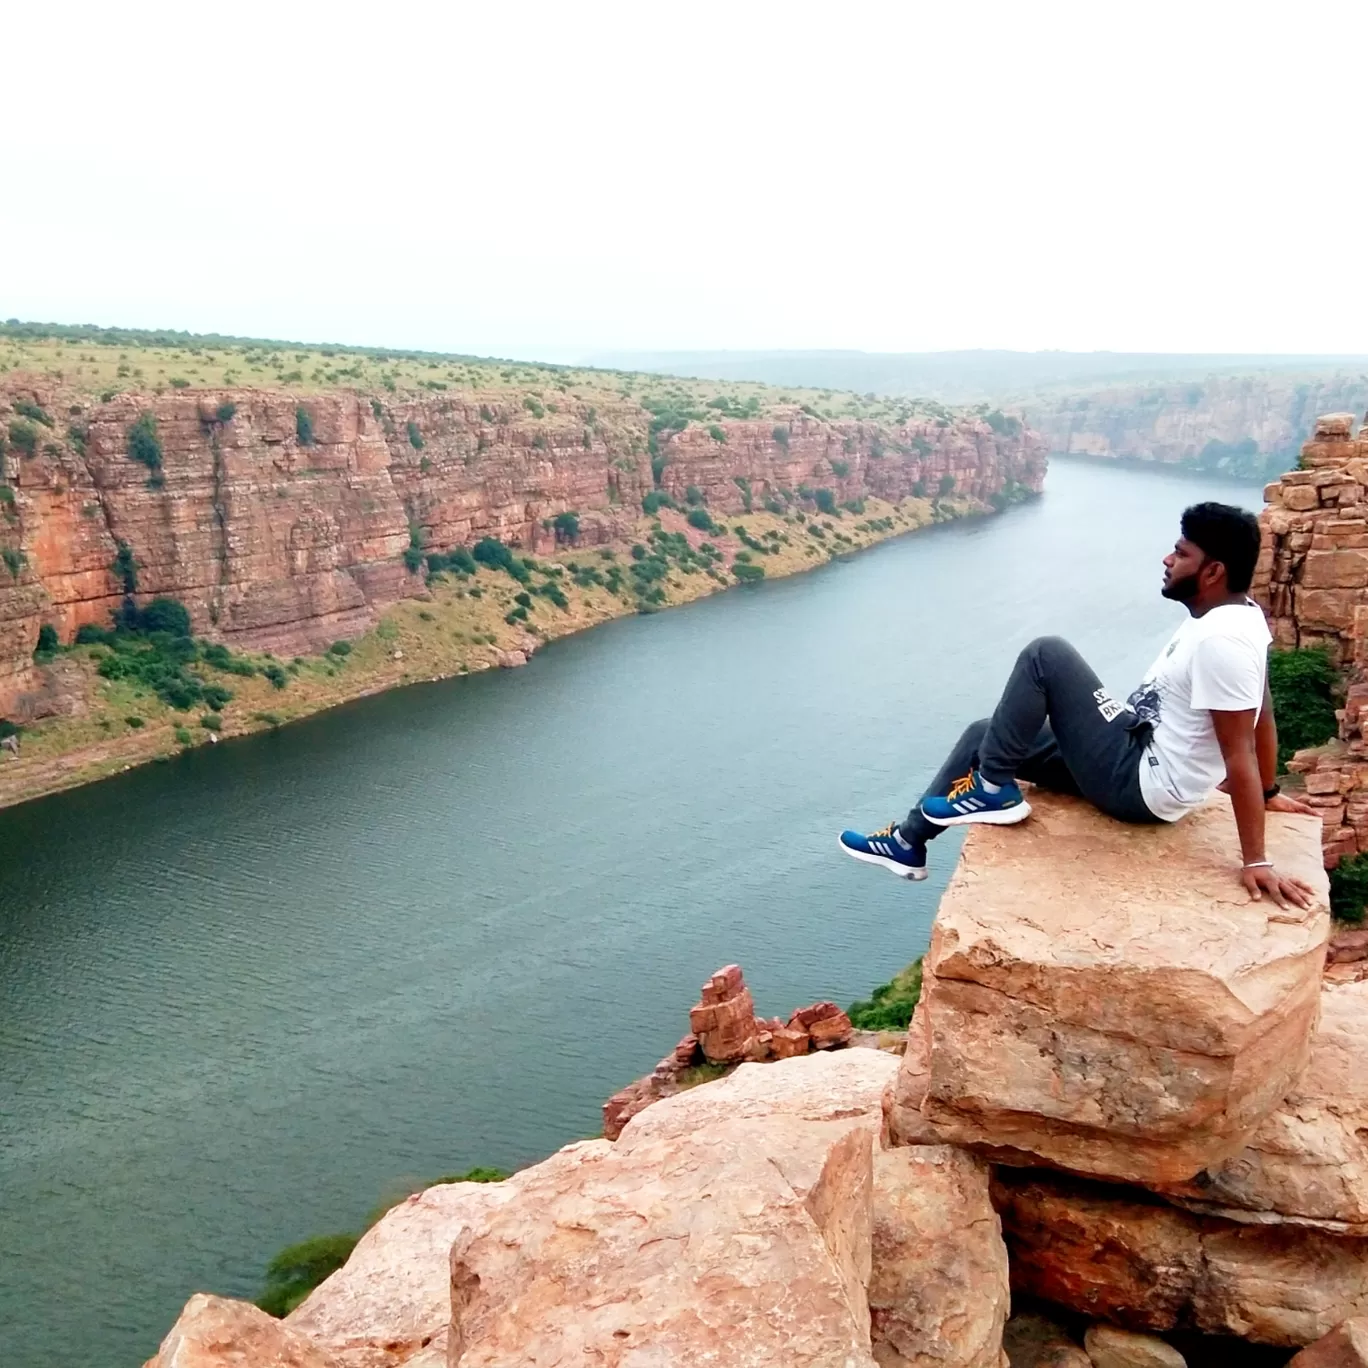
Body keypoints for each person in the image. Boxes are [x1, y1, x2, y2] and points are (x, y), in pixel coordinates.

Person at [839, 501, 1317, 910]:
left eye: (1182, 552)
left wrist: (1256, 858)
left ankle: (991, 789)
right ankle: (908, 842)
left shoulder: (1222, 641)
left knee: (1047, 655)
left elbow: (1239, 749)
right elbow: (1264, 711)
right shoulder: (1240, 616)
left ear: (1214, 571)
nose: (1167, 558)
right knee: (983, 735)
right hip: (1133, 745)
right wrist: (1271, 792)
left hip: (1139, 783)